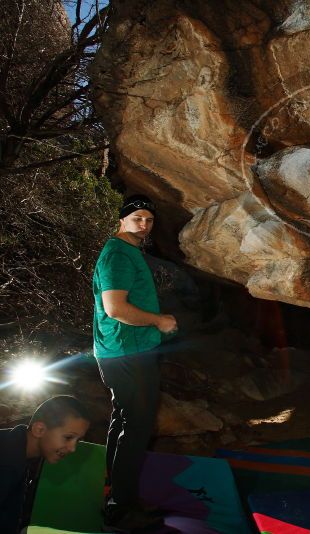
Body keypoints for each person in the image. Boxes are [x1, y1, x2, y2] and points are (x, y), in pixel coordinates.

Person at [92, 194, 176, 531]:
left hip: (122, 352)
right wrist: (159, 321)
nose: (144, 224)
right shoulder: (117, 255)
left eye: (149, 219)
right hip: (127, 352)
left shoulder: (126, 251)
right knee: (137, 427)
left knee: (124, 419)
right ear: (122, 219)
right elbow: (116, 309)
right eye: (137, 217)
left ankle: (114, 490)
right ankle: (121, 508)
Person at [0, 395, 90, 534]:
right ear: (39, 430)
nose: (73, 449)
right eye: (68, 437)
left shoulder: (20, 453)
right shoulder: (6, 461)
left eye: (78, 441)